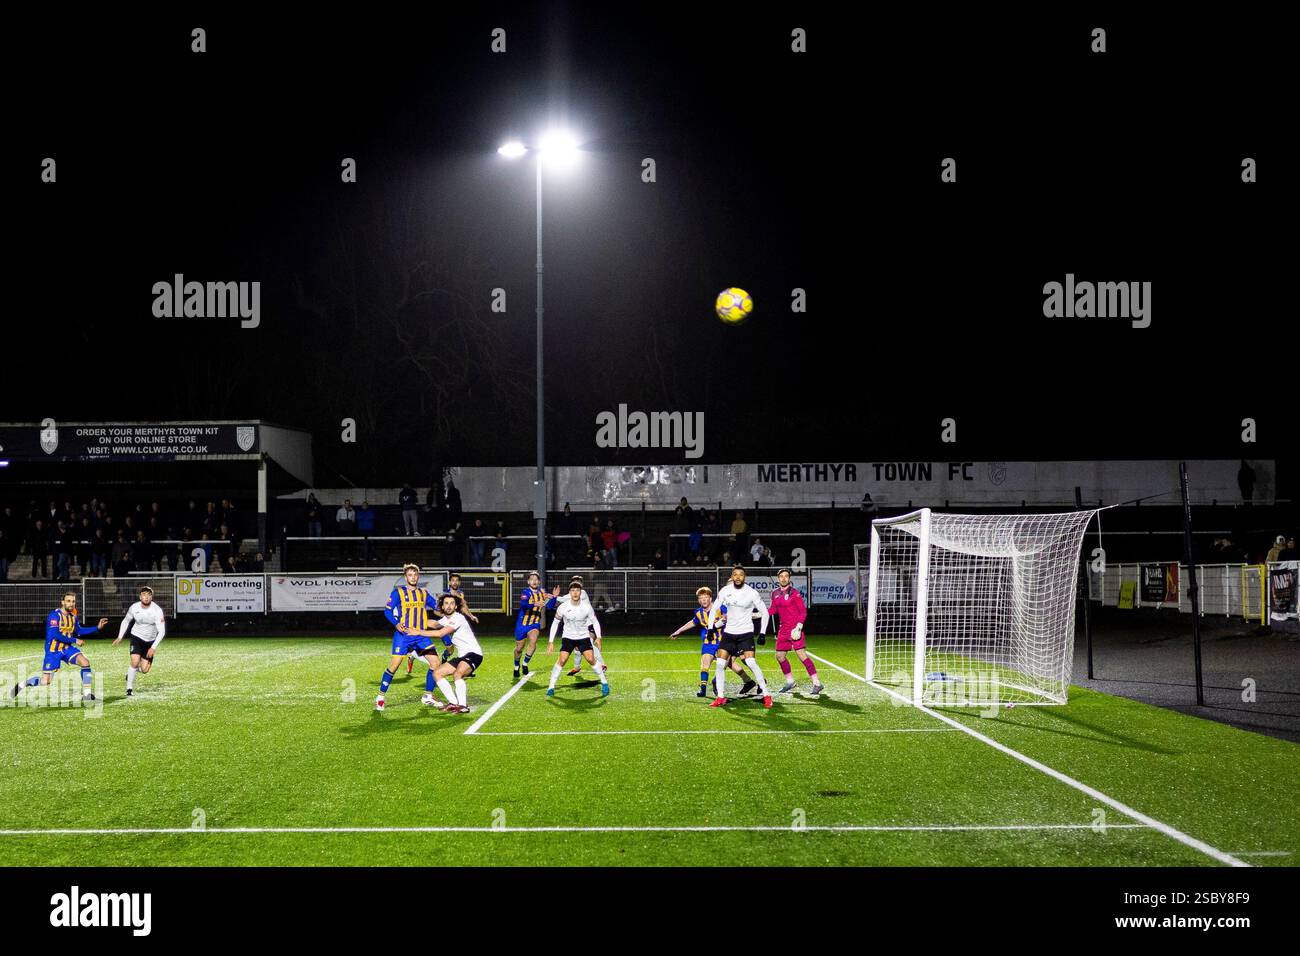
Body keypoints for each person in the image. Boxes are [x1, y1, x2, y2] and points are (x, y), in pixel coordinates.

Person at [11, 590, 108, 702]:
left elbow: (79, 630)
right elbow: (55, 635)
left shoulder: (73, 617)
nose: (71, 604)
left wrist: (97, 628)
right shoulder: (54, 615)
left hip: (67, 648)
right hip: (53, 651)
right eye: (68, 601)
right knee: (45, 681)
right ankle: (23, 684)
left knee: (85, 662)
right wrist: (74, 640)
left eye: (73, 601)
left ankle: (87, 695)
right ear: (62, 602)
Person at [375, 564, 444, 712]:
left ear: (418, 576)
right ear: (406, 577)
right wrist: (396, 624)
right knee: (394, 666)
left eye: (415, 574)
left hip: (420, 635)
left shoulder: (424, 593)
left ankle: (428, 696)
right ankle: (380, 696)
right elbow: (387, 612)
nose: (413, 577)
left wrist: (447, 610)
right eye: (410, 575)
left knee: (435, 662)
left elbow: (437, 608)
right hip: (404, 635)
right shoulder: (397, 593)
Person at [401, 594, 485, 713]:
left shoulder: (458, 618)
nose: (449, 606)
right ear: (442, 606)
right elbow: (434, 624)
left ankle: (463, 706)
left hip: (473, 654)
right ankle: (453, 703)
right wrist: (413, 620)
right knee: (437, 673)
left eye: (452, 603)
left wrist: (418, 632)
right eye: (446, 603)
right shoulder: (446, 619)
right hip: (462, 657)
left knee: (458, 674)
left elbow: (440, 633)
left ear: (456, 606)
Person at [669, 585, 749, 698]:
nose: (703, 600)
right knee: (705, 665)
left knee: (729, 664)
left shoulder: (720, 608)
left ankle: (745, 682)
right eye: (701, 598)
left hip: (724, 643)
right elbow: (693, 622)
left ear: (711, 598)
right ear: (698, 600)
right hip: (708, 643)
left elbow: (728, 617)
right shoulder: (698, 612)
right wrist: (679, 631)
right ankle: (703, 690)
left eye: (706, 597)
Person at [709, 564, 772, 708]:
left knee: (750, 662)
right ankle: (720, 697)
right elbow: (714, 609)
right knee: (719, 664)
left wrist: (762, 633)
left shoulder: (751, 593)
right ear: (732, 576)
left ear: (745, 577)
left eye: (741, 574)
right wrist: (710, 628)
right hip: (729, 634)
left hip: (745, 634)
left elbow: (765, 612)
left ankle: (767, 695)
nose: (738, 577)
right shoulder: (725, 591)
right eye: (735, 574)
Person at [546, 583, 609, 698]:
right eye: (573, 590)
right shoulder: (563, 607)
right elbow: (555, 623)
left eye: (577, 590)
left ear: (581, 592)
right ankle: (551, 686)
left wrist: (598, 637)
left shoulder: (586, 607)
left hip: (583, 637)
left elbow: (595, 622)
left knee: (591, 659)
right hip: (568, 637)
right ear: (569, 593)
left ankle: (604, 682)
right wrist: (551, 641)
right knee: (562, 660)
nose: (575, 593)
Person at [767, 568, 823, 695]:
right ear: (778, 578)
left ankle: (817, 683)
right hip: (783, 630)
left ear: (789, 578)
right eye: (781, 576)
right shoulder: (775, 593)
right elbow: (773, 610)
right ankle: (790, 682)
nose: (784, 578)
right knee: (780, 657)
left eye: (786, 576)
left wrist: (799, 626)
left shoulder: (794, 593)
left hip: (794, 629)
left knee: (802, 655)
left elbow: (803, 611)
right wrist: (760, 613)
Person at [112, 584, 166, 697]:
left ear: (152, 597)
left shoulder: (157, 610)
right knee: (135, 662)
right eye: (144, 594)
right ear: (140, 597)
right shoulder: (134, 607)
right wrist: (120, 636)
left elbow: (162, 631)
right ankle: (129, 689)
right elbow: (126, 620)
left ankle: (132, 671)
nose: (146, 597)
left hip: (150, 641)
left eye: (149, 595)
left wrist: (153, 647)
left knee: (145, 670)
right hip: (136, 637)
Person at [513, 571, 561, 679]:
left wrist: (554, 597)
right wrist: (535, 603)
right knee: (519, 648)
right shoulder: (526, 592)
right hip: (522, 624)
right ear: (528, 581)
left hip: (534, 624)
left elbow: (549, 607)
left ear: (539, 582)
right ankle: (516, 666)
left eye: (536, 579)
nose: (534, 581)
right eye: (532, 579)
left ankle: (525, 664)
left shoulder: (542, 593)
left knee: (533, 640)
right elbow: (524, 605)